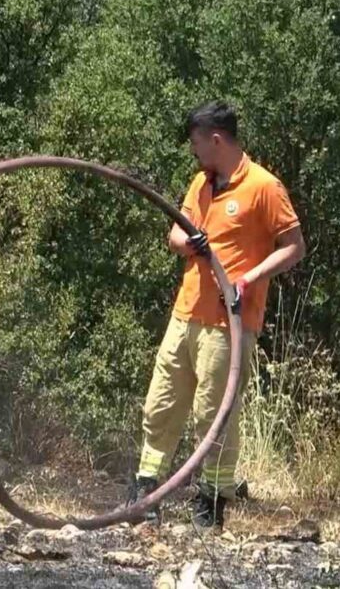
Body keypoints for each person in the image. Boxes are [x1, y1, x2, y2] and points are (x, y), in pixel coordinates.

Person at [130, 101, 305, 529]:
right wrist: (190, 243)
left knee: (216, 412)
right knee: (160, 404)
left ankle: (211, 500)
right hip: (186, 313)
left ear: (216, 140)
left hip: (229, 321)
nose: (193, 152)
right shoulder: (200, 184)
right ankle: (146, 488)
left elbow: (294, 247)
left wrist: (248, 278)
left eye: (195, 143)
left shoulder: (264, 186)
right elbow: (175, 233)